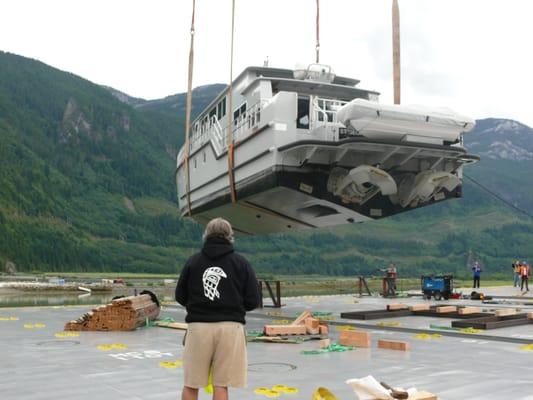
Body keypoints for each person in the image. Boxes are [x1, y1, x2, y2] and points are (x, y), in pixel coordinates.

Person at [175, 217, 261, 400]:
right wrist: (234, 308)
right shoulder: (241, 263)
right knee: (221, 385)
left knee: (191, 384)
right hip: (230, 328)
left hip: (198, 328)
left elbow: (180, 296)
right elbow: (253, 300)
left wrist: (198, 307)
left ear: (206, 236)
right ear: (230, 237)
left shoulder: (193, 262)